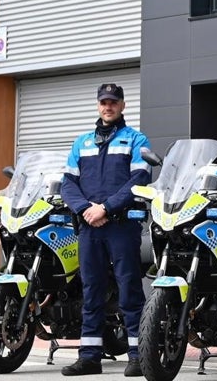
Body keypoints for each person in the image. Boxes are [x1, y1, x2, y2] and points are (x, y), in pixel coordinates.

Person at [60, 83, 152, 377]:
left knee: (129, 289)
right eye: (104, 102)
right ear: (98, 105)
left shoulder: (135, 140)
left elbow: (139, 179)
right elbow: (67, 184)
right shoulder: (82, 142)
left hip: (121, 225)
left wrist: (106, 208)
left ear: (122, 105)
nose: (108, 107)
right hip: (89, 226)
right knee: (91, 290)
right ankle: (90, 357)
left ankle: (137, 356)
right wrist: (86, 209)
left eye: (113, 102)